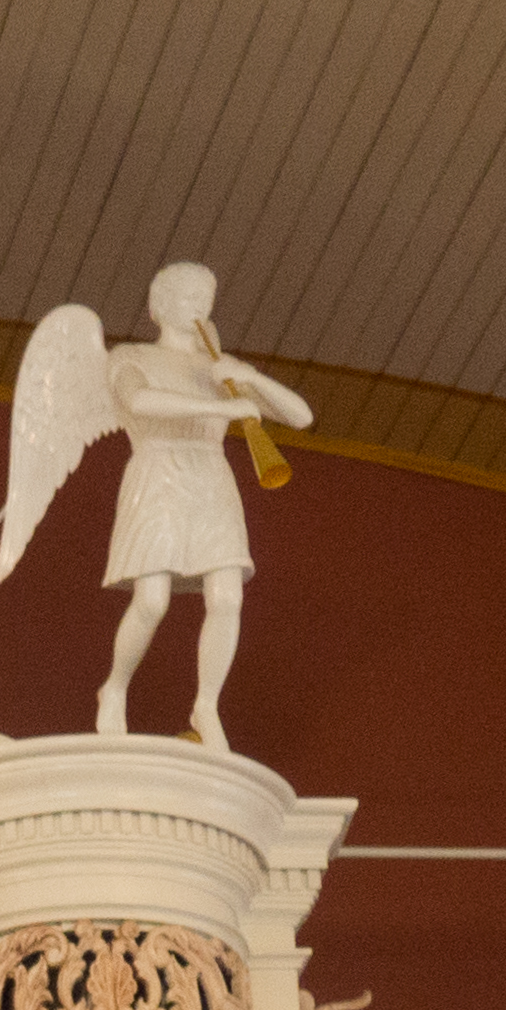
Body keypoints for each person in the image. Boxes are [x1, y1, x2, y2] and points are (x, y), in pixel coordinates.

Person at [89, 265, 312, 751]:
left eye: (205, 295)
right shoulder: (132, 355)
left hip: (211, 477)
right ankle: (115, 687)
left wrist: (250, 378)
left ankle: (205, 705)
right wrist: (221, 408)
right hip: (157, 472)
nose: (198, 304)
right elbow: (140, 400)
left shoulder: (219, 368)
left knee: (228, 598)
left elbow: (300, 416)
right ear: (158, 304)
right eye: (186, 293)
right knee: (152, 601)